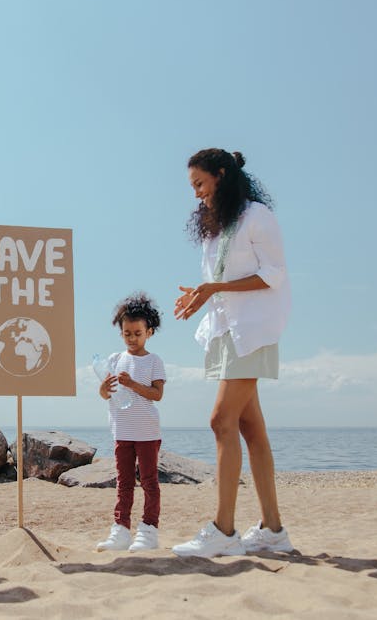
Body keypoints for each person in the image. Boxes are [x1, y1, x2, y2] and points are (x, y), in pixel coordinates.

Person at [171, 148, 294, 558]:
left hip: (254, 331)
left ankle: (224, 530)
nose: (196, 194)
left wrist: (215, 290)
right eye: (192, 187)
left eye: (200, 184)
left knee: (220, 420)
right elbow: (220, 280)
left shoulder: (258, 216)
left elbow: (273, 275)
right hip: (227, 332)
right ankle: (273, 531)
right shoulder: (217, 227)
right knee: (250, 430)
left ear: (222, 176)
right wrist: (202, 294)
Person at [95, 292, 167, 553]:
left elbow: (157, 394)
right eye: (127, 333)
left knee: (149, 481)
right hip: (121, 431)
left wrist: (133, 384)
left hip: (147, 431)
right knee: (123, 483)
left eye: (137, 333)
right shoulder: (115, 360)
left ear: (149, 332)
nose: (132, 338)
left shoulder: (153, 361)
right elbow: (106, 395)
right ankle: (121, 530)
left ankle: (148, 531)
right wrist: (104, 388)